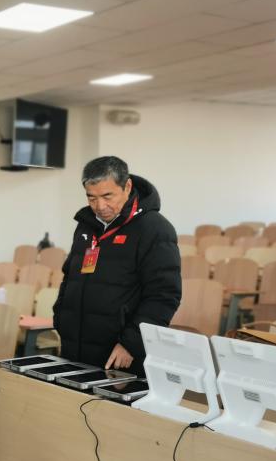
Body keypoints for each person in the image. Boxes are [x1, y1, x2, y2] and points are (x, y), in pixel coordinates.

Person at [54, 155, 181, 375]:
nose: (100, 206)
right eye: (91, 198)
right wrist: (61, 318)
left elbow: (163, 295)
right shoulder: (86, 226)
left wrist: (131, 343)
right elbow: (70, 276)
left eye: (107, 196)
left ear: (127, 186)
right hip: (75, 347)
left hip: (121, 353)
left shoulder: (155, 229)